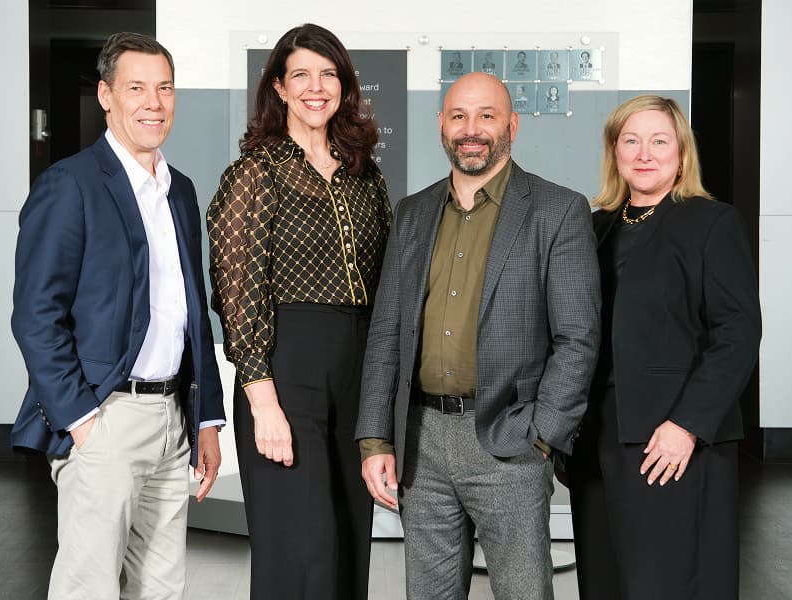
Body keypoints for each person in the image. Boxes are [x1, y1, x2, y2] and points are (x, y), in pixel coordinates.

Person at [356, 72, 601, 600]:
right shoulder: (414, 212)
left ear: (511, 125)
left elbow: (578, 339)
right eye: (459, 116)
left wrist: (542, 435)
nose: (472, 129)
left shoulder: (558, 210)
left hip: (509, 440)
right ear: (440, 124)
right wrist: (377, 437)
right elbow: (387, 334)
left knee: (522, 593)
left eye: (487, 116)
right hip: (421, 440)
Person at [10, 32, 225, 599]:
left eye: (165, 88)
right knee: (90, 587)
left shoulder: (180, 190)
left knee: (161, 588)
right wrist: (81, 420)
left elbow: (190, 312)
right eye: (136, 88)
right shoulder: (70, 184)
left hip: (173, 420)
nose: (153, 102)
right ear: (106, 95)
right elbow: (35, 315)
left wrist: (205, 418)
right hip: (104, 418)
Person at [206, 23, 392, 600]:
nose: (317, 87)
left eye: (328, 75)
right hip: (286, 369)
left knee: (346, 543)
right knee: (300, 550)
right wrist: (262, 400)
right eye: (301, 76)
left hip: (358, 369)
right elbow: (236, 290)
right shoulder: (255, 173)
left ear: (344, 86)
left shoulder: (365, 174)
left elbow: (389, 280)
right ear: (280, 89)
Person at [567, 95, 761, 600]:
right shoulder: (593, 227)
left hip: (670, 438)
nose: (644, 153)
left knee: (665, 584)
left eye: (659, 141)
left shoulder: (711, 223)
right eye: (630, 140)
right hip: (597, 438)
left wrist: (688, 425)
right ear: (615, 151)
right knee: (604, 582)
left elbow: (738, 332)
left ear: (681, 152)